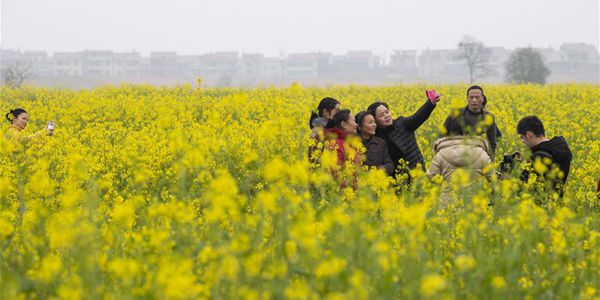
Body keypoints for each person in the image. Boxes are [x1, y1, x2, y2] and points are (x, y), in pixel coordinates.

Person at [367, 90, 441, 175]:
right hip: (395, 178)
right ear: (374, 120)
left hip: (416, 171)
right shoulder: (375, 137)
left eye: (387, 112)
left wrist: (430, 103)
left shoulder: (402, 124)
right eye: (381, 115)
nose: (387, 116)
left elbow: (419, 116)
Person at [426, 135, 492, 205]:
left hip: (446, 207)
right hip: (475, 206)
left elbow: (431, 176)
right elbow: (492, 177)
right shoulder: (482, 154)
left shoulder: (441, 154)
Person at [517, 116, 572, 197]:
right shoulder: (560, 149)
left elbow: (520, 189)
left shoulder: (537, 158)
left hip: (537, 205)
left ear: (529, 134)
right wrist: (527, 160)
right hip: (556, 203)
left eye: (522, 137)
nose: (523, 141)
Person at [443, 85, 501, 157]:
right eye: (471, 97)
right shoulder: (455, 114)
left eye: (477, 97)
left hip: (477, 156)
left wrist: (489, 159)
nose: (474, 100)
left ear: (482, 98)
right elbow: (442, 134)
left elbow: (492, 142)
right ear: (467, 98)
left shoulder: (488, 117)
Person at [355, 111, 394, 176]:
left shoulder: (381, 142)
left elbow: (390, 164)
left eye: (374, 122)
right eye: (370, 123)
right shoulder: (353, 144)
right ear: (359, 126)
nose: (374, 125)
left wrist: (378, 170)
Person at [308, 97, 341, 163]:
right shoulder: (318, 131)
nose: (340, 114)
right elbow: (315, 161)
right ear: (325, 112)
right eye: (337, 111)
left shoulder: (328, 129)